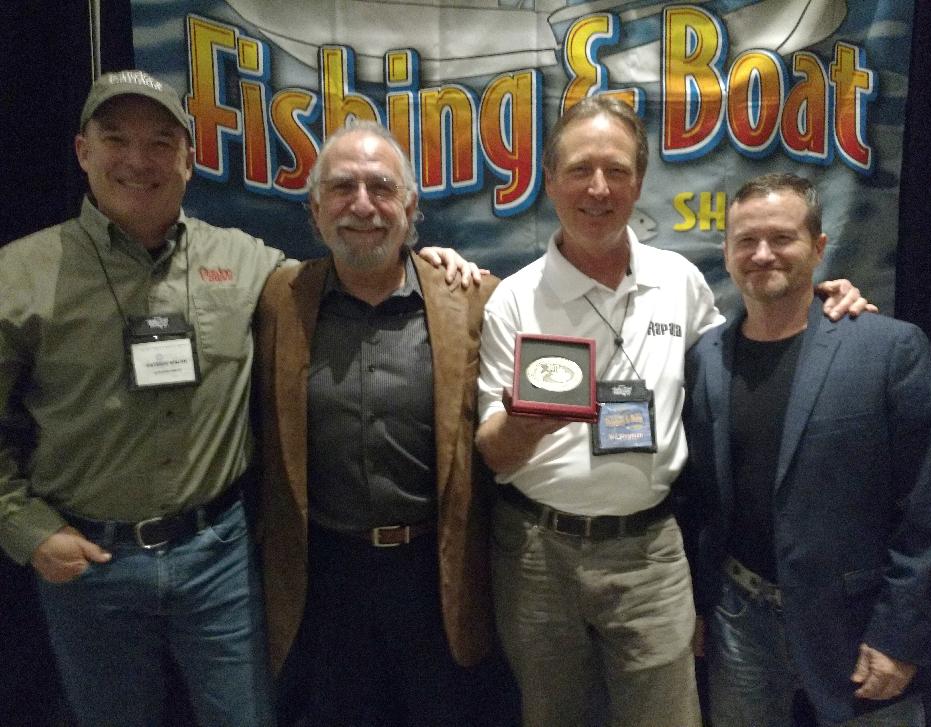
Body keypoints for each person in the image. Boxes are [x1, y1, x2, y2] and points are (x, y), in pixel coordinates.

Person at [0, 70, 478, 727]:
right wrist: (23, 527)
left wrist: (442, 265)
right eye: (117, 139)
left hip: (219, 560)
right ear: (83, 150)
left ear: (190, 161)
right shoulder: (17, 275)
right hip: (89, 566)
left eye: (161, 142)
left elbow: (365, 254)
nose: (139, 159)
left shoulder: (250, 265)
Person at [475, 96, 870, 727]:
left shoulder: (681, 280)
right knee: (552, 716)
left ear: (640, 183)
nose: (598, 188)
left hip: (651, 551)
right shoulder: (513, 299)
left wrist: (818, 293)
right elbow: (491, 452)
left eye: (618, 171)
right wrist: (525, 422)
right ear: (549, 181)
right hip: (535, 552)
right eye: (579, 170)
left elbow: (744, 359)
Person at [682, 173, 931, 726]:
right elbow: (699, 499)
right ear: (727, 252)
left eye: (782, 239)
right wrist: (697, 605)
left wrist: (900, 633)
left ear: (819, 247)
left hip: (858, 627)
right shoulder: (705, 357)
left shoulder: (889, 348)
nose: (763, 254)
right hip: (737, 620)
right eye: (746, 241)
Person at [255, 121, 501, 726]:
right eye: (342, 188)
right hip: (325, 578)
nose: (362, 206)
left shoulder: (472, 297)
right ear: (314, 211)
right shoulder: (277, 298)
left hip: (437, 573)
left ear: (410, 207)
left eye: (381, 187)